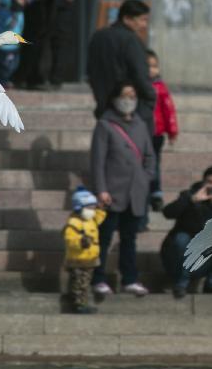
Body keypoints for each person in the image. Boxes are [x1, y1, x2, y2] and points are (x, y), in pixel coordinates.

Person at [90, 81, 156, 298]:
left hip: (135, 193)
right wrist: (101, 189)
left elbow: (149, 156)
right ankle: (97, 278)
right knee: (104, 237)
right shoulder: (105, 125)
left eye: (132, 95)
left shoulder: (141, 124)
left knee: (129, 239)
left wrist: (145, 179)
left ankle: (130, 278)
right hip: (112, 193)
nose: (129, 100)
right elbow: (97, 161)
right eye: (124, 95)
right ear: (115, 97)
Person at [161, 166, 212, 300]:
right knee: (182, 238)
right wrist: (192, 200)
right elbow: (167, 212)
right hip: (179, 259)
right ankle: (181, 283)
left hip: (205, 260)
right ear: (203, 183)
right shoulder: (189, 195)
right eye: (209, 182)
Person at [86, 0, 157, 132]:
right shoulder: (131, 40)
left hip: (104, 106)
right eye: (142, 20)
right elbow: (140, 74)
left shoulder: (98, 36)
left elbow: (90, 71)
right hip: (131, 109)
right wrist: (150, 98)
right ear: (127, 18)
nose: (144, 25)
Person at [63, 186, 107, 314]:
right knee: (80, 283)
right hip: (78, 259)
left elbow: (99, 217)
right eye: (89, 208)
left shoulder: (91, 220)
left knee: (84, 283)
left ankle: (80, 302)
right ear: (79, 207)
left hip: (90, 259)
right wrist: (81, 242)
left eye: (93, 208)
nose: (92, 211)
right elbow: (70, 239)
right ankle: (79, 305)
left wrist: (101, 207)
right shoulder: (74, 222)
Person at [147, 49, 178, 212]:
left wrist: (172, 132)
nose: (151, 69)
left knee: (154, 163)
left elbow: (168, 110)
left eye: (154, 66)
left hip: (156, 133)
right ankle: (148, 191)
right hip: (142, 133)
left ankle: (156, 192)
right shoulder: (137, 87)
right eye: (148, 66)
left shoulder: (160, 88)